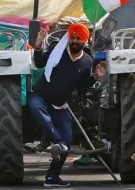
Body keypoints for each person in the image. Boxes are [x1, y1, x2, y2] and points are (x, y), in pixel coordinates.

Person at [29, 23, 106, 187]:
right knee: (35, 107)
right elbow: (40, 62)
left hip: (60, 104)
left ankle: (52, 177)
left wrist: (95, 78)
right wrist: (38, 44)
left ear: (84, 41)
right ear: (69, 38)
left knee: (68, 138)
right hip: (41, 96)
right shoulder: (58, 49)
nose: (75, 41)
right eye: (73, 37)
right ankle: (58, 141)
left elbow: (82, 88)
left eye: (79, 38)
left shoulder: (87, 61)